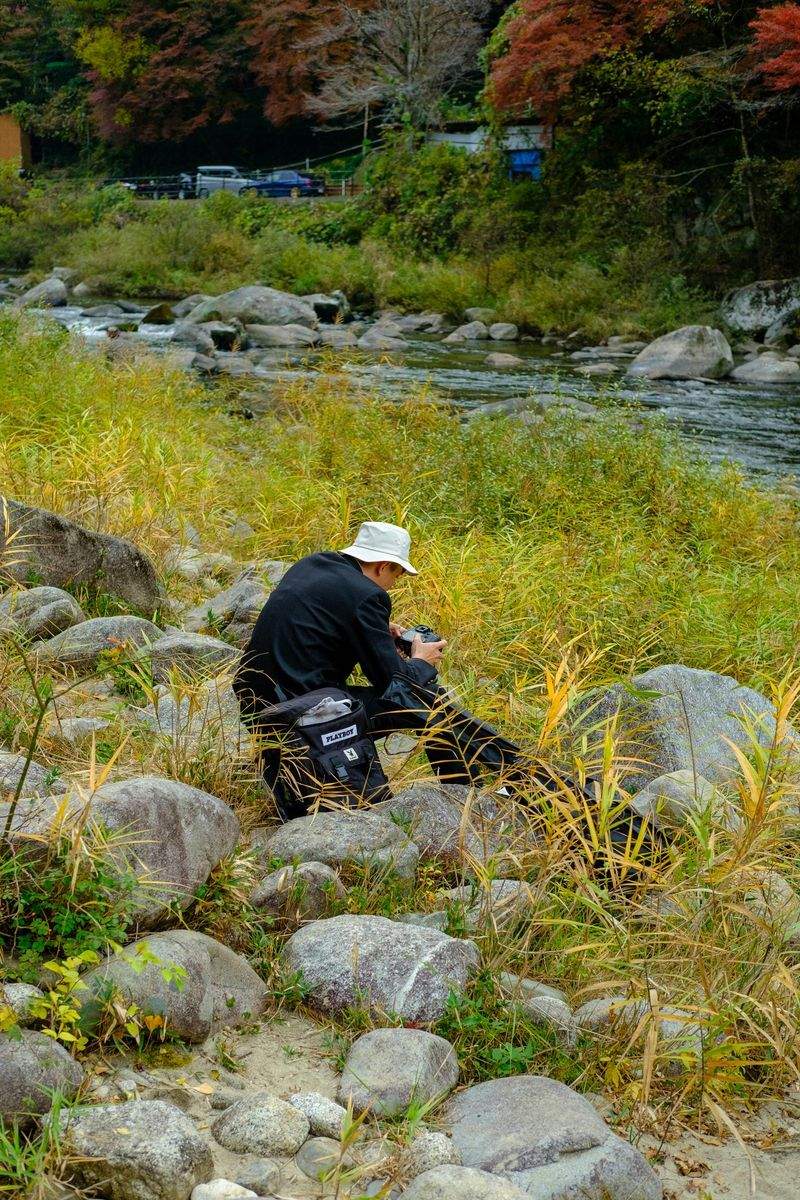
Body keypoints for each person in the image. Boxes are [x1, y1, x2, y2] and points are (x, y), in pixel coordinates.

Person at [233, 520, 496, 808]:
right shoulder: (368, 596)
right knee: (430, 704)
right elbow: (394, 686)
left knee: (422, 700)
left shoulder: (311, 565)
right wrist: (422, 661)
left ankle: (463, 794)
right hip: (308, 714)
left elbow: (320, 620)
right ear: (382, 566)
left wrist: (373, 627)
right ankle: (464, 798)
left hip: (258, 706)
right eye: (396, 575)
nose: (393, 584)